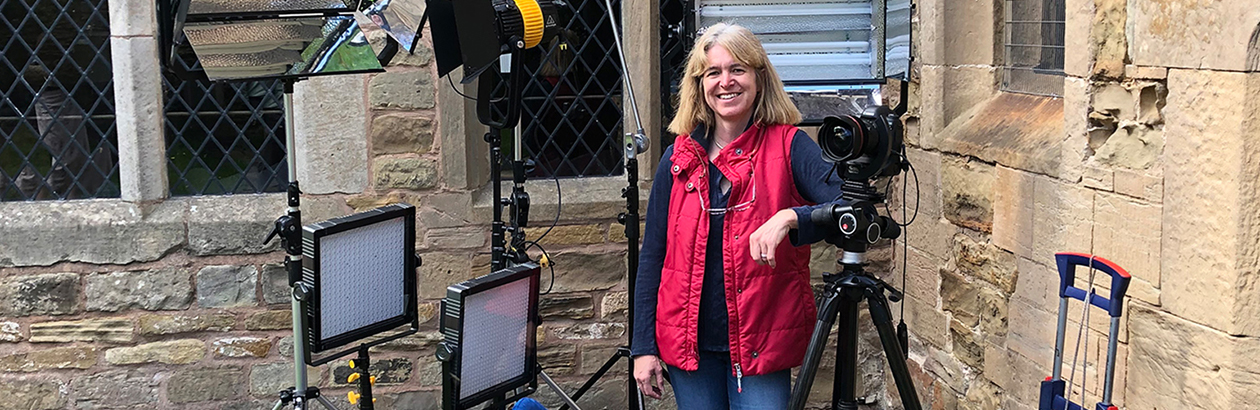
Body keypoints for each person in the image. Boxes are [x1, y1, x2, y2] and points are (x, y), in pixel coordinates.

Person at [631, 23, 847, 409]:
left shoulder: (789, 146)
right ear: (700, 84)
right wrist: (643, 347)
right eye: (713, 72)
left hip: (759, 344)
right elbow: (653, 257)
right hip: (689, 346)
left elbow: (845, 209)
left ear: (758, 78)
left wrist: (789, 218)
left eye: (738, 69)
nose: (725, 82)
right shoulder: (678, 158)